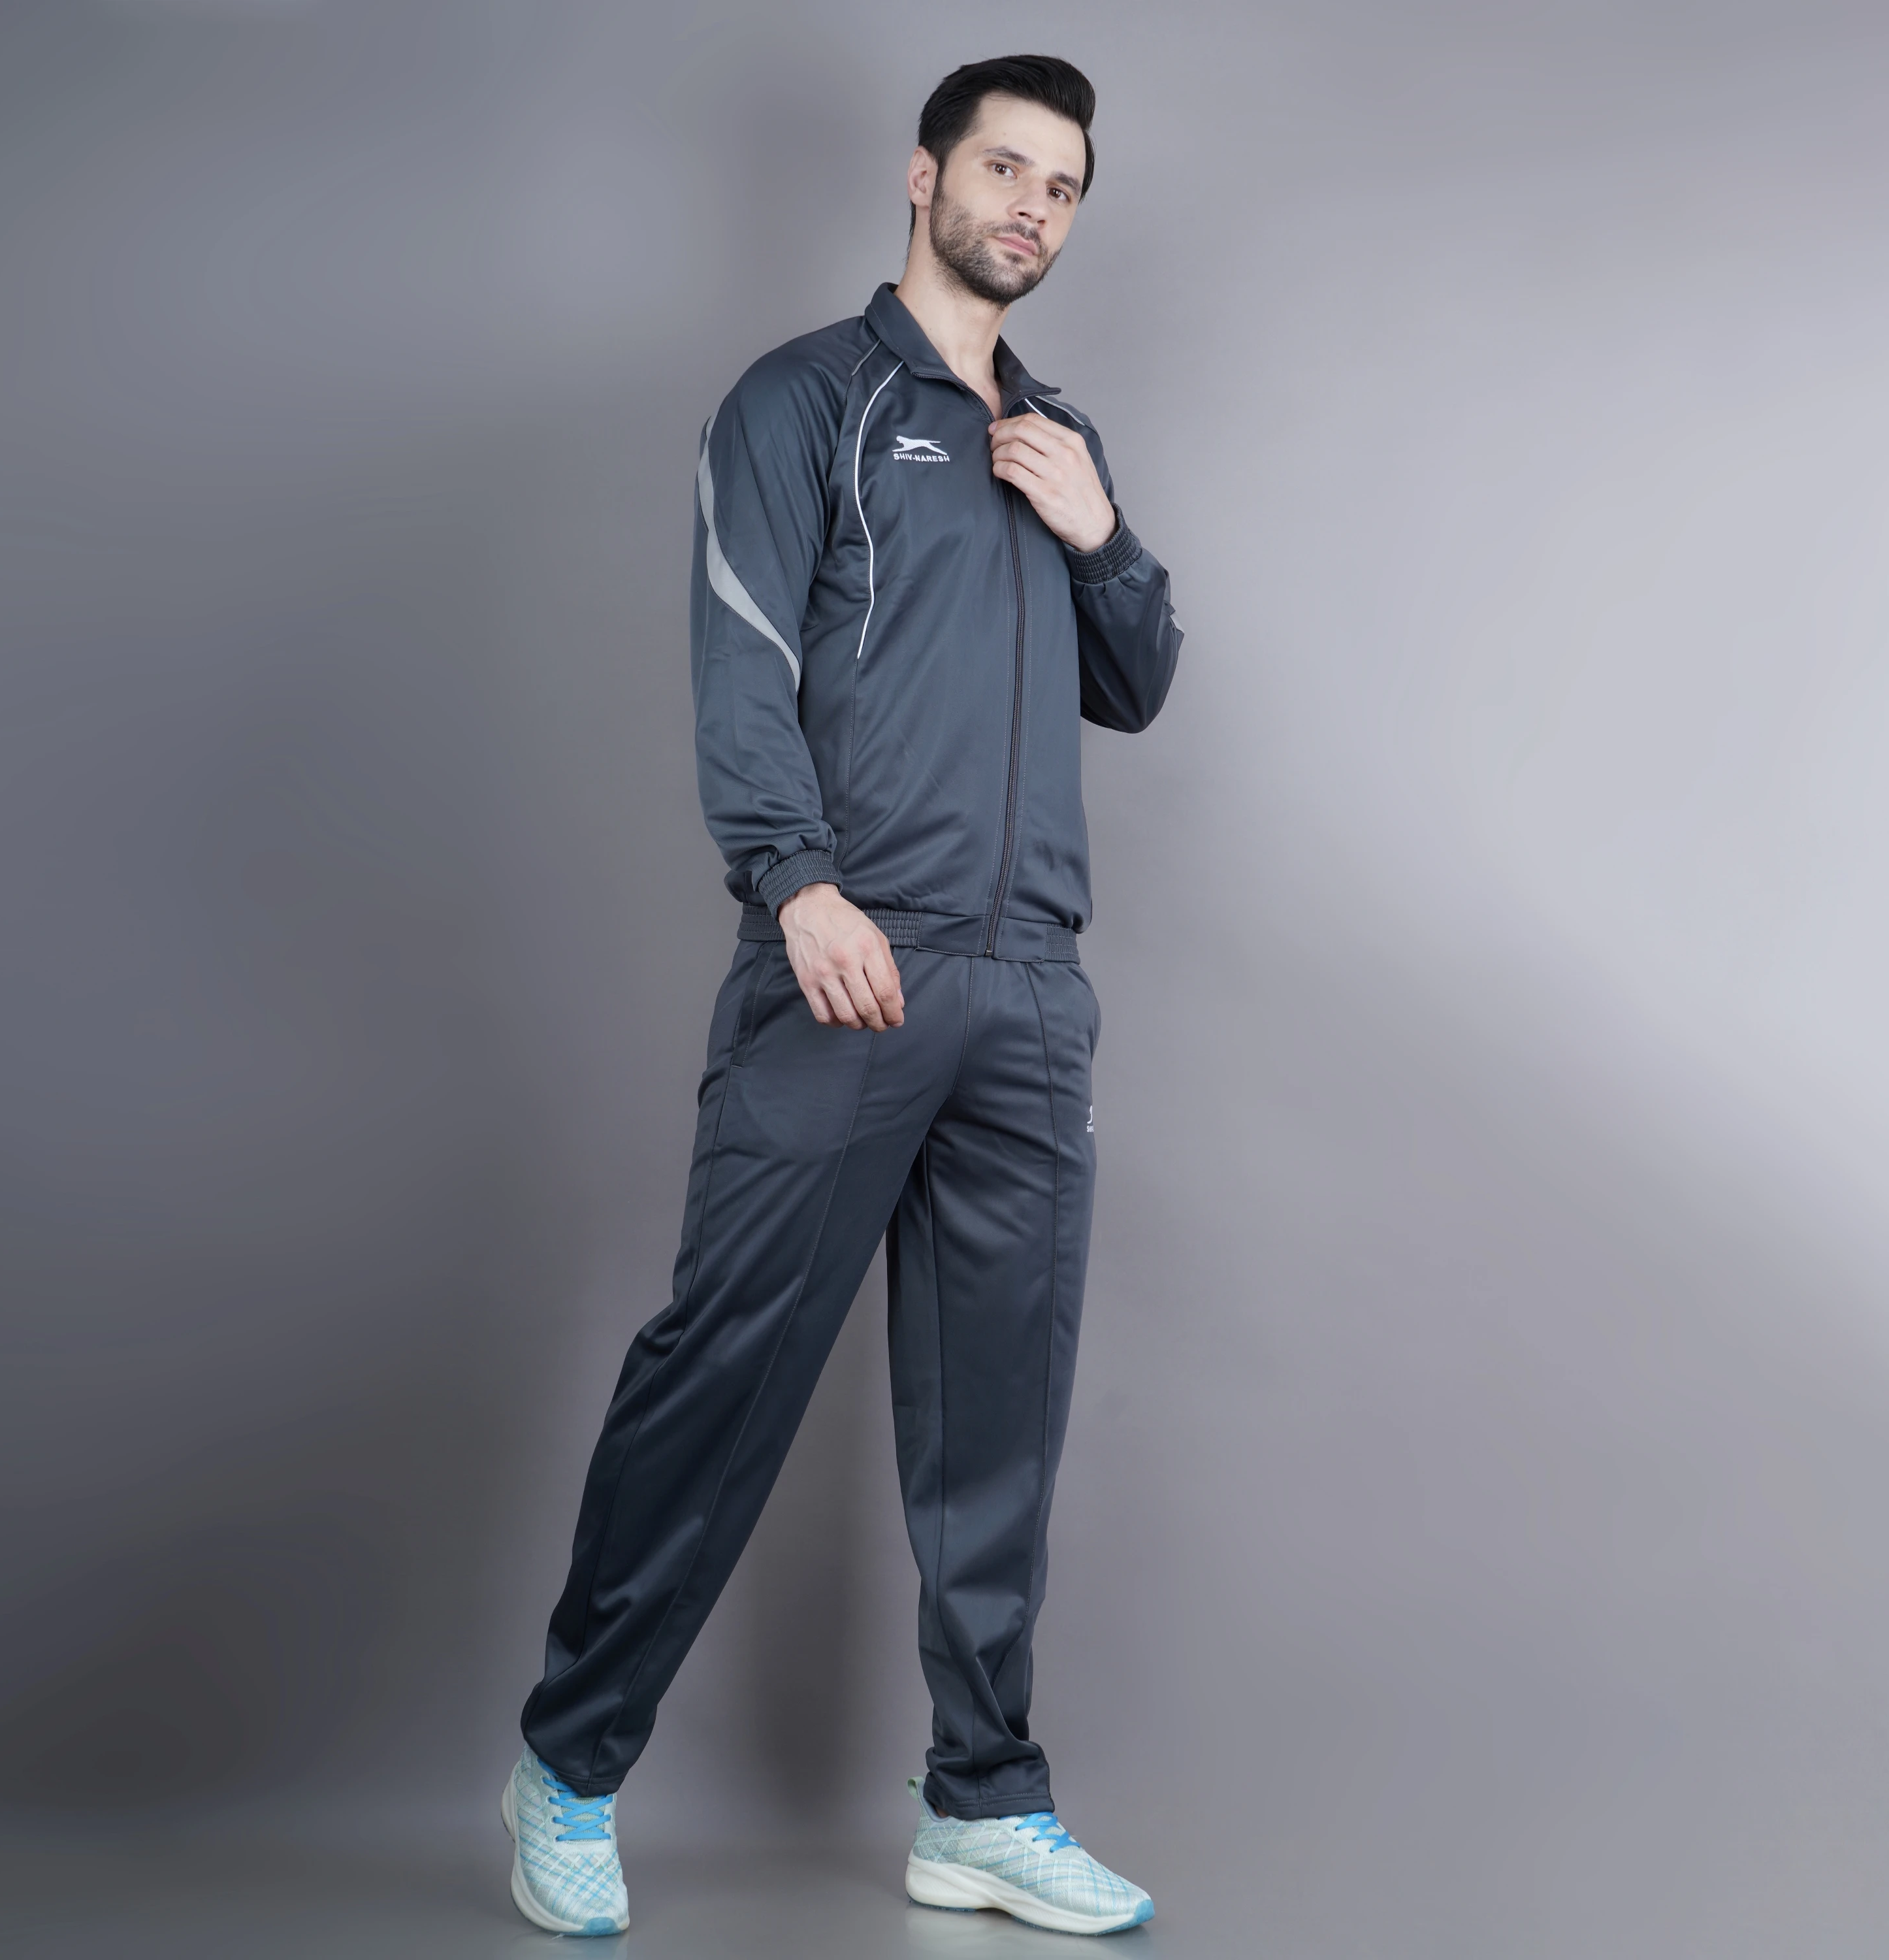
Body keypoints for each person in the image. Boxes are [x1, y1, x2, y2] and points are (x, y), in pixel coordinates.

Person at [501, 53, 1182, 1939]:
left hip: (1029, 990)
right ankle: (569, 1763)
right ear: (922, 177)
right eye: (1005, 169)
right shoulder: (805, 401)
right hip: (851, 965)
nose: (1031, 207)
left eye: (1063, 187)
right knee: (723, 1372)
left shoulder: (1059, 435)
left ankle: (984, 1803)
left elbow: (1138, 682)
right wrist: (793, 879)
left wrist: (1103, 535)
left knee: (1000, 1424)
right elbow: (739, 650)